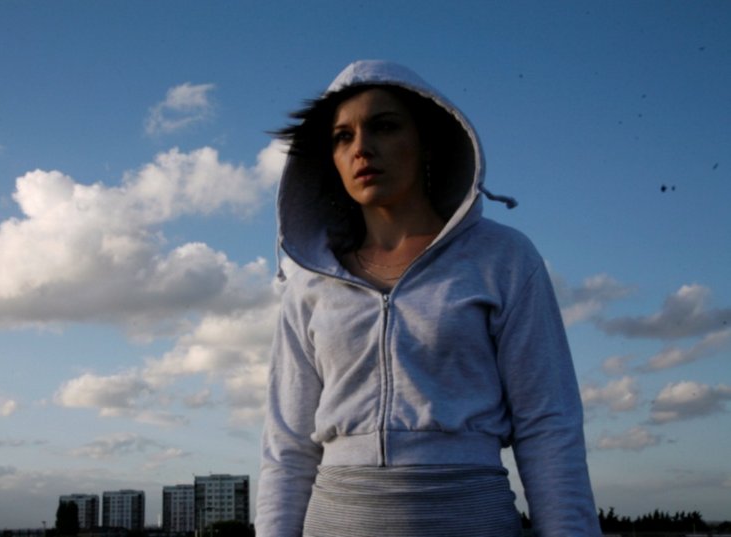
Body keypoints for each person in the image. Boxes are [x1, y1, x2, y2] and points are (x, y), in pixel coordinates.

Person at [256, 60, 601, 537]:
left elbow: (547, 425)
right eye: (342, 137)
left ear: (427, 143)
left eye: (384, 126)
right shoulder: (310, 282)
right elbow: (288, 445)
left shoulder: (503, 258)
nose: (361, 148)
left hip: (472, 516)